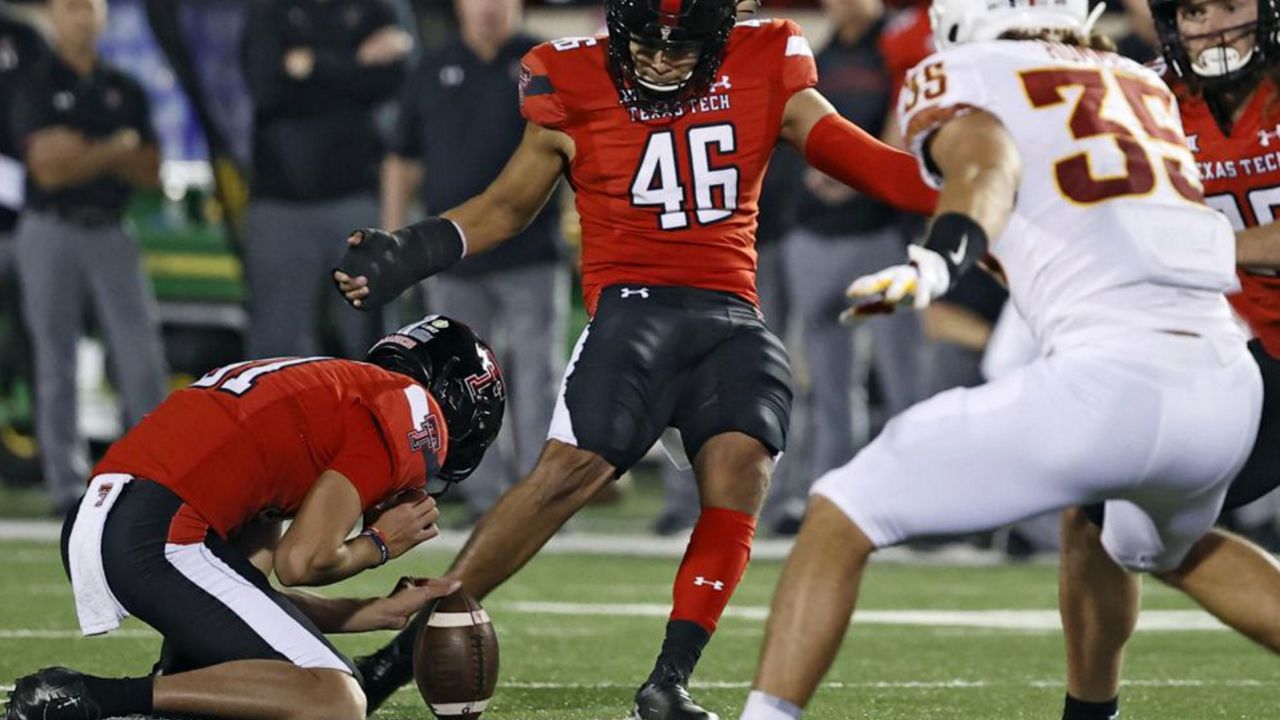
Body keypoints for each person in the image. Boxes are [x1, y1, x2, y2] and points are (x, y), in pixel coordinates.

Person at [334, 0, 939, 716]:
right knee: (567, 477)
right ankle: (394, 660)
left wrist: (976, 198)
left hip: (729, 312)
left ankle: (668, 680)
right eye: (644, 44)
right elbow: (506, 205)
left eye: (680, 48)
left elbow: (863, 159)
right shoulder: (573, 74)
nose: (657, 60)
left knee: (745, 468)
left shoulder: (767, 62)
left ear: (718, 39)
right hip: (633, 307)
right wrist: (412, 250)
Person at [738, 1, 1266, 718]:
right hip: (1227, 386)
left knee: (841, 508)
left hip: (1110, 384)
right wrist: (806, 119)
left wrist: (939, 261)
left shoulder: (967, 72)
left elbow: (985, 168)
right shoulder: (1135, 82)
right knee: (1159, 550)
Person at [3, 315, 506, 720]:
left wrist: (370, 611)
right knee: (335, 700)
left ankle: (145, 699)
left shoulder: (326, 395)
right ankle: (87, 698)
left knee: (250, 680)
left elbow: (248, 593)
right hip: (154, 531)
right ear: (456, 408)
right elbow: (301, 562)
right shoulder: (408, 408)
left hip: (117, 516)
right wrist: (379, 544)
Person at [1056, 1, 1280, 717]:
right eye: (1193, 8)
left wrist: (1199, 246)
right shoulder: (1142, 94)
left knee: (1132, 525)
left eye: (1230, 2)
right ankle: (1088, 713)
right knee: (1106, 521)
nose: (1213, 25)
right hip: (1236, 356)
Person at [383, 0, 568, 521]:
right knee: (460, 384)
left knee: (537, 377)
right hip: (454, 257)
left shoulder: (543, 64)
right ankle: (486, 497)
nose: (488, 7)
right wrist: (398, 244)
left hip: (531, 252)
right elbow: (402, 157)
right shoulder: (429, 66)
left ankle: (540, 498)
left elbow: (577, 146)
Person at [9, 0, 168, 516]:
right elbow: (48, 169)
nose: (82, 16)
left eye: (90, 7)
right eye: (71, 7)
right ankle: (66, 487)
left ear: (103, 16)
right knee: (54, 360)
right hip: (49, 230)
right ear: (52, 17)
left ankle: (152, 480)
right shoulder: (30, 80)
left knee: (140, 359)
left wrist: (81, 150)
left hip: (112, 232)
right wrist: (114, 148)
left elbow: (151, 170)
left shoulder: (125, 85)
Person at [240, 0, 412, 360]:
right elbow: (266, 88)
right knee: (276, 348)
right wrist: (356, 61)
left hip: (357, 200)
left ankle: (372, 418)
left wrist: (311, 65)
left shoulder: (378, 8)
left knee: (371, 346)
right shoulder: (269, 11)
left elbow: (398, 80)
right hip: (281, 201)